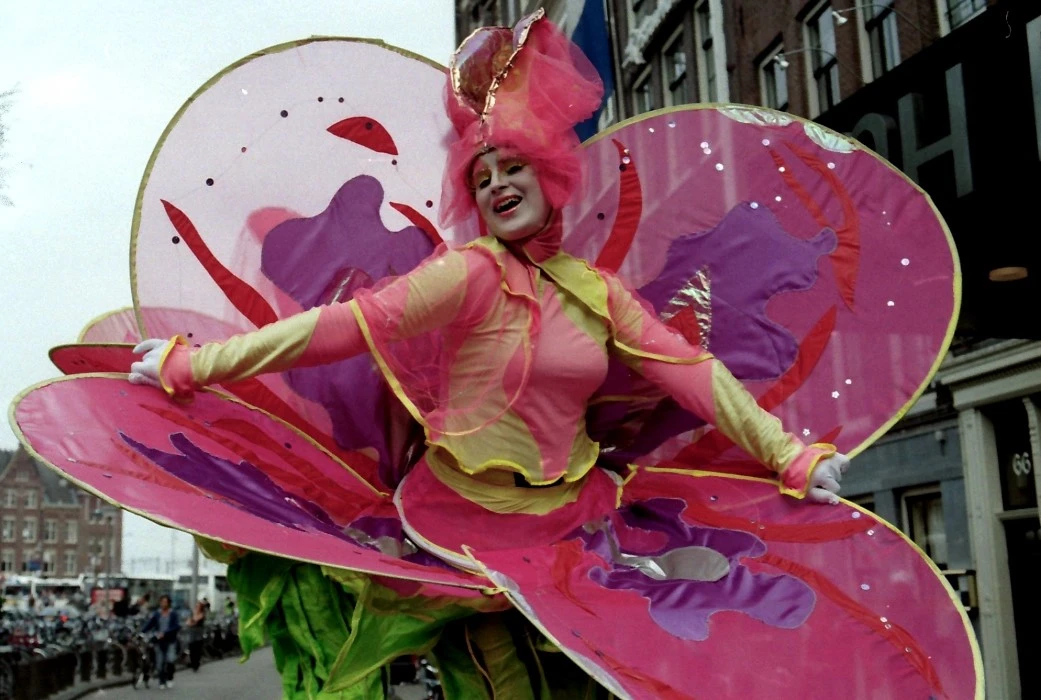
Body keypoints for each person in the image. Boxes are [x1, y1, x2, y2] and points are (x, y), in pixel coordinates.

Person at [123, 10, 853, 698]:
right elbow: (332, 329)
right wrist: (194, 365)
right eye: (482, 176)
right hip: (464, 524)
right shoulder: (467, 273)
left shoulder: (597, 294)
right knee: (494, 683)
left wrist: (790, 455)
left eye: (512, 168)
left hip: (575, 521)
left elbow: (692, 375)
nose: (499, 185)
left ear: (549, 175)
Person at [141, 594, 181, 689]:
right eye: (162, 602)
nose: (163, 604)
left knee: (170, 660)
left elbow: (176, 626)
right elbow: (150, 624)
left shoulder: (173, 614)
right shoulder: (157, 614)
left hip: (170, 640)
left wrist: (166, 633)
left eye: (165, 602)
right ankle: (161, 680)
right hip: (159, 641)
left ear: (168, 603)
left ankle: (170, 678)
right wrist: (142, 632)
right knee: (160, 661)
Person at [186, 599, 207, 672]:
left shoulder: (202, 614)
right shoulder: (192, 613)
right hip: (192, 634)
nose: (197, 607)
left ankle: (196, 664)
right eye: (196, 605)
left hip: (198, 634)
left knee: (197, 650)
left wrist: (192, 621)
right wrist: (191, 621)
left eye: (198, 606)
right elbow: (188, 622)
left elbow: (196, 620)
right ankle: (193, 664)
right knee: (191, 649)